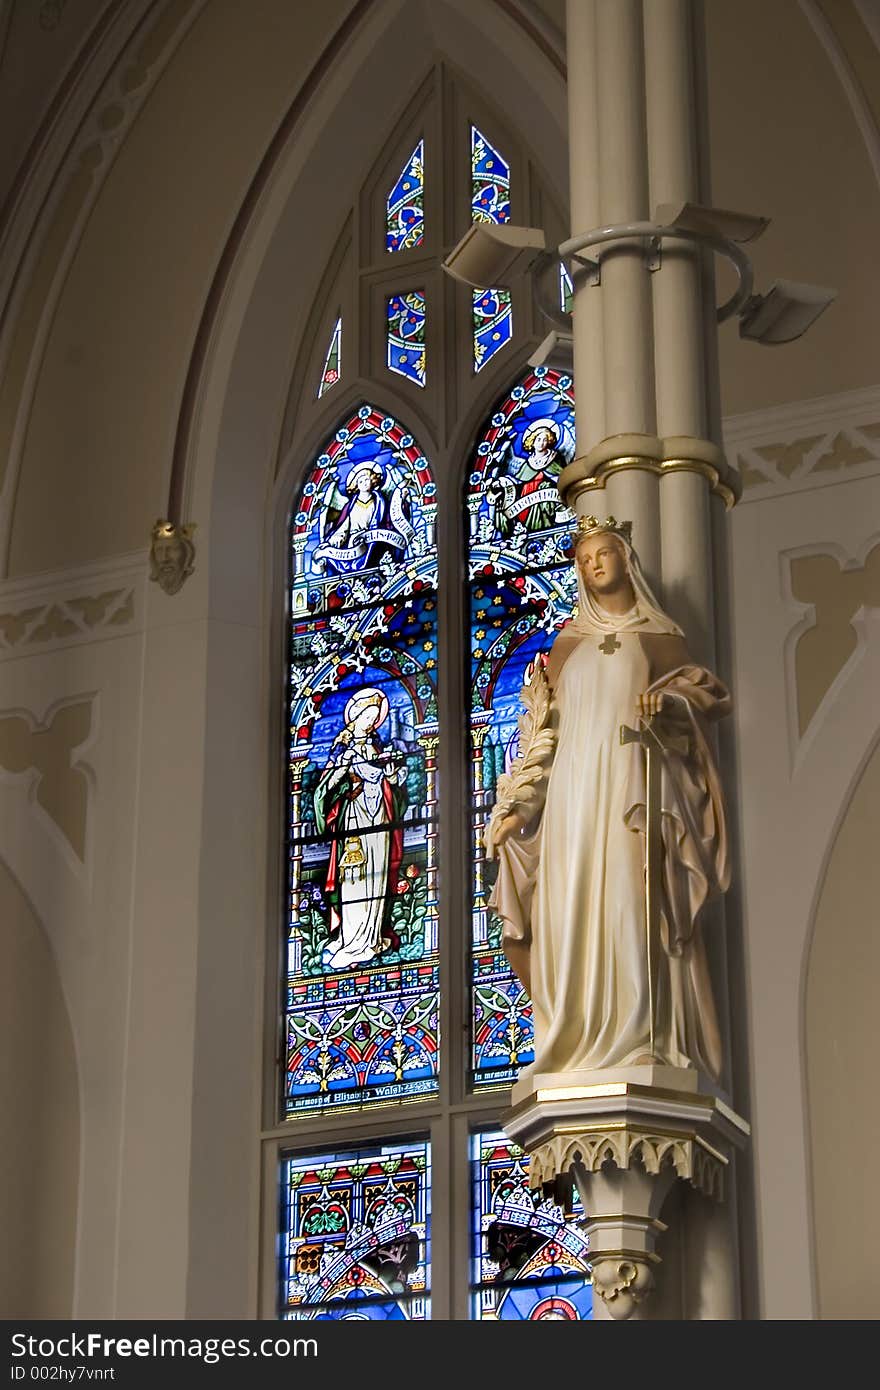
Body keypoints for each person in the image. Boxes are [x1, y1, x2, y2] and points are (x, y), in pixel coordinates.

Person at [485, 516, 730, 1081]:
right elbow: (545, 733)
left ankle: (641, 1034)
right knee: (570, 909)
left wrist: (668, 707)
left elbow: (703, 699)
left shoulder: (660, 639)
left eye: (604, 553)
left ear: (627, 560)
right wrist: (521, 807)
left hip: (631, 792)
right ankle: (576, 1040)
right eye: (585, 557)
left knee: (630, 904)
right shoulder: (567, 646)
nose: (594, 564)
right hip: (573, 798)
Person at [315, 688, 407, 969]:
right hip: (354, 821)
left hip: (378, 820)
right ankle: (349, 939)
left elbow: (395, 784)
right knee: (353, 881)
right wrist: (342, 770)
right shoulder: (342, 751)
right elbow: (324, 790)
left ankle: (370, 938)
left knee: (375, 879)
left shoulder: (380, 749)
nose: (370, 720)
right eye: (366, 714)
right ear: (354, 716)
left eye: (375, 716)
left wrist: (391, 773)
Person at [314, 463, 411, 575]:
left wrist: (401, 500)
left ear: (373, 481)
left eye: (367, 480)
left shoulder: (380, 501)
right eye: (360, 481)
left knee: (377, 555)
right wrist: (330, 543)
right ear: (356, 485)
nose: (364, 483)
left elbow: (392, 518)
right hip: (354, 545)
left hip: (375, 542)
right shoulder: (350, 506)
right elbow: (343, 530)